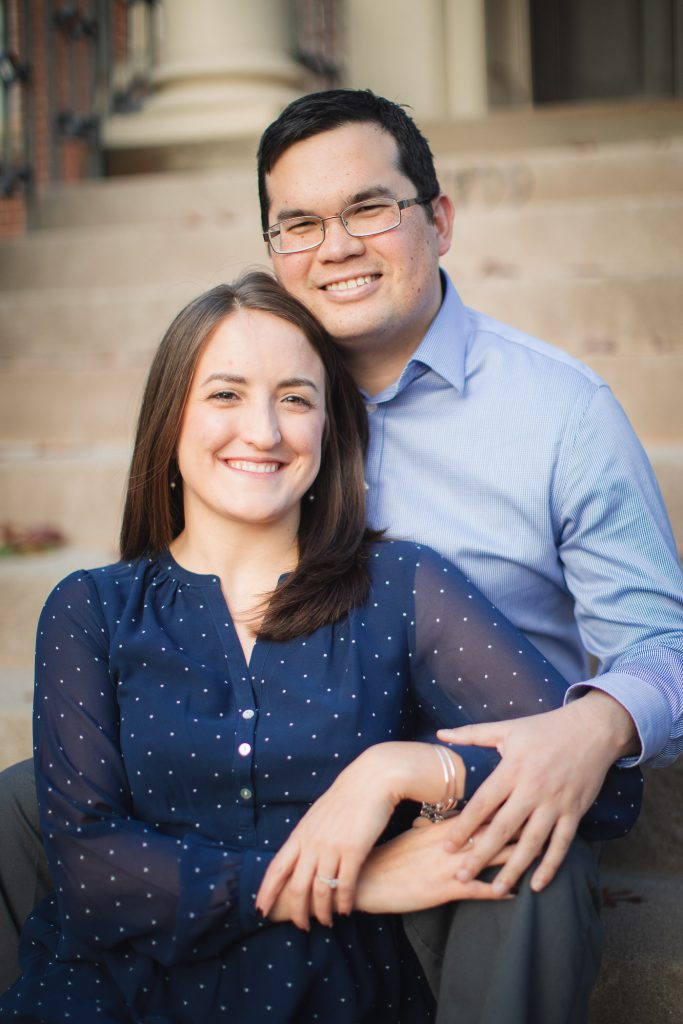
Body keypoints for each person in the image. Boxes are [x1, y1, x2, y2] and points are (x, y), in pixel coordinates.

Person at [0, 86, 681, 1018]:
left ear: (437, 219)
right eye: (299, 224)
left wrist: (589, 728)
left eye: (369, 207)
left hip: (466, 767)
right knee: (24, 805)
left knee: (529, 829)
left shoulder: (558, 413)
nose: (335, 247)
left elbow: (662, 644)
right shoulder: (274, 368)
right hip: (261, 748)